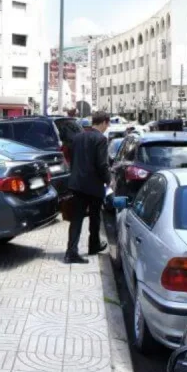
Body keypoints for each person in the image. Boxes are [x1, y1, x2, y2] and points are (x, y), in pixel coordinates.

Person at [65, 111, 110, 264]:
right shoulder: (101, 139)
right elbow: (102, 164)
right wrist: (108, 180)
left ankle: (71, 252)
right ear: (104, 122)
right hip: (94, 185)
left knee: (76, 219)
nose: (106, 128)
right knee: (95, 217)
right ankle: (93, 246)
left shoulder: (78, 137)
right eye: (107, 125)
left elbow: (72, 160)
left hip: (77, 184)